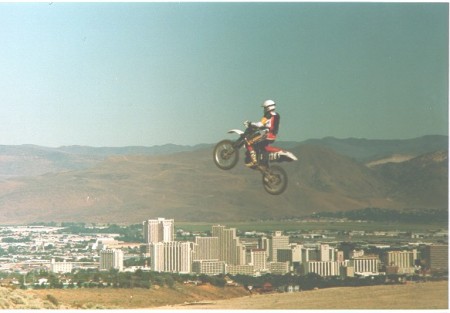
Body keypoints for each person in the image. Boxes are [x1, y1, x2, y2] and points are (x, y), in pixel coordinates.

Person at [244, 99, 280, 167]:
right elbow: (270, 125)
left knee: (248, 142)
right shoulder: (277, 115)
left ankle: (254, 161)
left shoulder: (268, 114)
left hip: (266, 135)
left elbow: (260, 124)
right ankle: (263, 163)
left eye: (264, 108)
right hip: (273, 136)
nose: (264, 109)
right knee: (260, 146)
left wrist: (250, 123)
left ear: (268, 107)